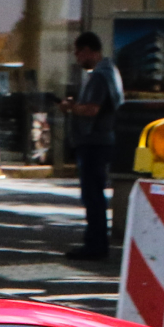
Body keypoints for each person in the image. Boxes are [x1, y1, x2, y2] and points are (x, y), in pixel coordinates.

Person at [61, 32, 122, 260]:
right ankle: (97, 243)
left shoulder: (99, 76)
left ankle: (95, 245)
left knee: (92, 195)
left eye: (78, 52)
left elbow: (91, 109)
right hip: (103, 141)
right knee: (96, 194)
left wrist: (70, 107)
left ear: (89, 50)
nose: (77, 57)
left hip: (94, 142)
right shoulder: (111, 71)